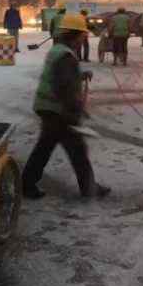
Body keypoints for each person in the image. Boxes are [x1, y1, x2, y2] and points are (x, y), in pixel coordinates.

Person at [22, 13, 111, 200]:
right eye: (83, 35)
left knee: (45, 148)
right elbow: (64, 88)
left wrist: (80, 75)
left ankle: (27, 184)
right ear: (75, 35)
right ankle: (89, 189)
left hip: (48, 107)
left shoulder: (59, 50)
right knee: (76, 150)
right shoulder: (65, 56)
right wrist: (75, 112)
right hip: (57, 110)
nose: (84, 38)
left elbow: (63, 78)